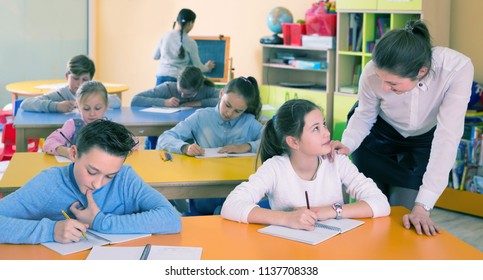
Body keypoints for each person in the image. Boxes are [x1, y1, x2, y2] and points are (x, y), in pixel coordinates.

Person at [329, 20, 474, 236]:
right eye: (381, 80)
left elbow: (447, 138)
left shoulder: (456, 69)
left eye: (393, 84)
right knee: (367, 218)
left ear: (421, 71)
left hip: (421, 144)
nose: (385, 87)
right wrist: (347, 145)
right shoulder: (371, 72)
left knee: (403, 222)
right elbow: (364, 114)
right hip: (376, 138)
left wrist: (424, 206)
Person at [0, 119, 181, 244]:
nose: (98, 184)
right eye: (92, 171)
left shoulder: (125, 178)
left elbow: (172, 219)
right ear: (73, 154)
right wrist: (50, 231)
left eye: (109, 176)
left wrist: (100, 221)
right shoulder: (49, 184)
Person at [221, 99, 390, 229]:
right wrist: (286, 218)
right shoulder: (275, 168)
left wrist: (329, 211)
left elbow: (381, 203)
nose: (327, 133)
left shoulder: (337, 161)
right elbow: (231, 206)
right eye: (316, 128)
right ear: (294, 142)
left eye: (323, 124)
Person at [157, 76, 264, 215]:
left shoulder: (249, 122)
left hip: (235, 191)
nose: (229, 113)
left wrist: (248, 146)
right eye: (228, 105)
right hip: (204, 192)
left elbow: (273, 143)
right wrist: (185, 147)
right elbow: (165, 138)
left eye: (238, 111)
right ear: (221, 94)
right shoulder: (201, 117)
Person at [132, 66, 219, 150]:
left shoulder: (206, 90)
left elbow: (223, 100)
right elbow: (135, 100)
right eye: (180, 91)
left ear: (199, 88)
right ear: (177, 82)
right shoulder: (168, 88)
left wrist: (198, 103)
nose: (182, 96)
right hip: (165, 129)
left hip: (191, 132)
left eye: (188, 94)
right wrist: (164, 102)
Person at [43, 81, 125, 158]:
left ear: (106, 106)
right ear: (78, 107)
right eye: (86, 109)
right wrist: (67, 152)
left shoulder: (111, 128)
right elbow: (49, 143)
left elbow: (133, 143)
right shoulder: (73, 126)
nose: (92, 113)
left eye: (97, 108)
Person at [20, 54, 121, 113]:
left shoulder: (93, 94)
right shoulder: (60, 95)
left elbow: (117, 102)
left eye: (85, 80)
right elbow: (26, 104)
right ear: (67, 77)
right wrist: (56, 106)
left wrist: (83, 104)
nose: (80, 84)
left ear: (91, 80)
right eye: (75, 78)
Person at [152, 8, 214, 86]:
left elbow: (155, 56)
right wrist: (208, 67)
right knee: (175, 99)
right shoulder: (191, 43)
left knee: (161, 98)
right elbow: (198, 67)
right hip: (177, 79)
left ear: (177, 21)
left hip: (161, 76)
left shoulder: (164, 36)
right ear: (190, 23)